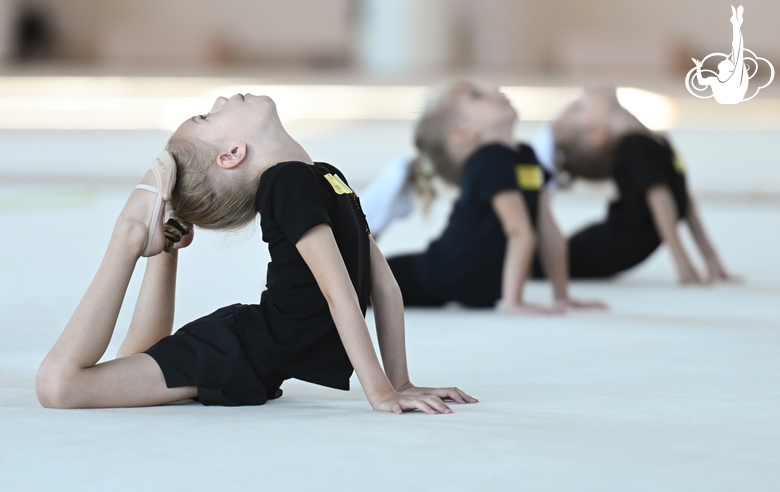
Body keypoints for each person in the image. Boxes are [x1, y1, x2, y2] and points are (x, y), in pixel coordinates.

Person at [35, 93, 476, 413]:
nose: (224, 97)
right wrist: (381, 392)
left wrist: (401, 381)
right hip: (232, 350)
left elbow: (384, 285)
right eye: (207, 115)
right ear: (232, 154)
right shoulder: (285, 183)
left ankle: (162, 243)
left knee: (134, 362)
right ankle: (132, 232)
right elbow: (339, 295)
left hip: (245, 353)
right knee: (59, 386)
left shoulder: (322, 176)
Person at [368, 82, 605, 314]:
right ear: (463, 133)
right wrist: (513, 302)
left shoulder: (526, 156)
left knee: (363, 282)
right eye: (476, 96)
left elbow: (547, 229)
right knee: (362, 283)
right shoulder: (490, 160)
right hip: (443, 273)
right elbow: (519, 231)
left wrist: (562, 296)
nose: (494, 91)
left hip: (467, 281)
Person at [534, 88, 735, 284]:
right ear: (598, 134)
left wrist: (712, 261)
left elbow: (683, 199)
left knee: (540, 261)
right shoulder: (634, 147)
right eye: (580, 107)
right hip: (605, 247)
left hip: (612, 246)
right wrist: (684, 266)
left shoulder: (655, 142)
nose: (588, 93)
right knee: (538, 264)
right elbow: (661, 202)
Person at [692, 5, 748, 105]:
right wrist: (698, 67)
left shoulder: (734, 78)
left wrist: (736, 25)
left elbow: (737, 48)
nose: (725, 59)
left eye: (727, 61)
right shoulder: (714, 80)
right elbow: (701, 82)